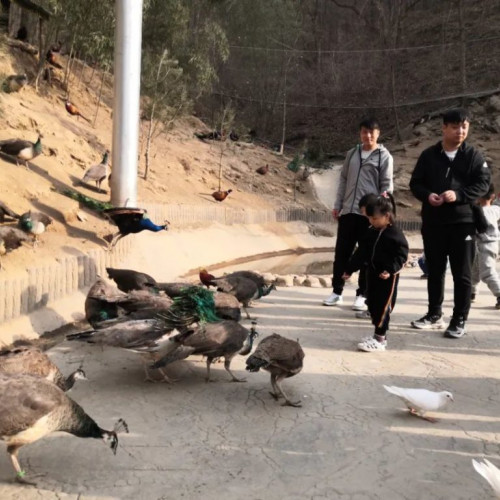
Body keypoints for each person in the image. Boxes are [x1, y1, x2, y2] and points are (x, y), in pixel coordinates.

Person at [409, 108, 490, 339]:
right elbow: (416, 183)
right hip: (434, 223)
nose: (460, 131)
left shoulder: (474, 156)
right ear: (443, 128)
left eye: (464, 126)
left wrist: (460, 195)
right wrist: (428, 196)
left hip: (462, 223)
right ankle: (434, 314)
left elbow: (483, 184)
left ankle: (459, 319)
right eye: (455, 126)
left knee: (462, 274)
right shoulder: (428, 155)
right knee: (435, 271)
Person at [323, 118, 394, 311]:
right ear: (360, 133)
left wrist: (380, 213)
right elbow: (344, 180)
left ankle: (362, 295)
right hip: (348, 211)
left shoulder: (384, 156)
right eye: (364, 132)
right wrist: (338, 205)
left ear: (378, 134)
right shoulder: (352, 154)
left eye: (372, 132)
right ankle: (337, 292)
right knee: (342, 253)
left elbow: (386, 186)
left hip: (369, 215)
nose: (368, 135)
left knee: (366, 256)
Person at [342, 193, 408, 352]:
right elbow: (361, 252)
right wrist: (350, 269)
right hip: (372, 274)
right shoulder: (372, 231)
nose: (371, 222)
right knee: (372, 304)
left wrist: (390, 270)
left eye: (375, 219)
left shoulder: (395, 234)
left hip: (387, 278)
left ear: (387, 216)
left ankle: (380, 339)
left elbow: (402, 256)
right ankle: (377, 336)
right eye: (370, 219)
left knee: (383, 307)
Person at [471, 183, 500, 308]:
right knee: (474, 270)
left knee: (487, 272)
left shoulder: (478, 212)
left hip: (484, 244)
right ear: (492, 196)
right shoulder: (496, 209)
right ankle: (471, 292)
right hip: (492, 244)